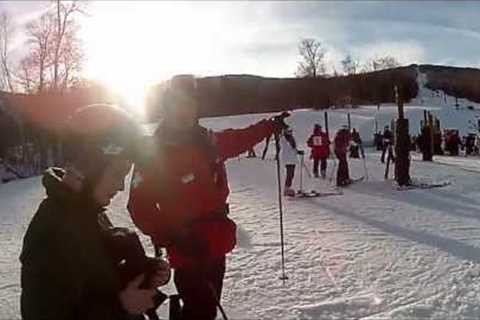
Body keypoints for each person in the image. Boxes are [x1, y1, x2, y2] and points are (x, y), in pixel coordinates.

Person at [127, 75, 288, 320]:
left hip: (216, 244)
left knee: (205, 309)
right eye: (178, 104)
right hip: (187, 250)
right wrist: (173, 237)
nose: (184, 111)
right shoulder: (154, 151)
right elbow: (139, 205)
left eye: (190, 105)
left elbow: (240, 138)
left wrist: (270, 126)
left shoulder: (208, 141)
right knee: (201, 311)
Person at [20, 104, 171, 320]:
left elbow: (94, 280)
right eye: (118, 173)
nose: (120, 186)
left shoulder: (88, 211)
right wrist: (121, 306)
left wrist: (145, 270)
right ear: (89, 165)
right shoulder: (51, 232)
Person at [281, 127, 300, 196]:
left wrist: (297, 151)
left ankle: (288, 187)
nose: (290, 132)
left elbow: (293, 148)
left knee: (291, 174)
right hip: (288, 159)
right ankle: (286, 188)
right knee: (290, 174)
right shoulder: (284, 139)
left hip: (292, 158)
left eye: (290, 131)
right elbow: (287, 148)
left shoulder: (292, 138)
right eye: (288, 131)